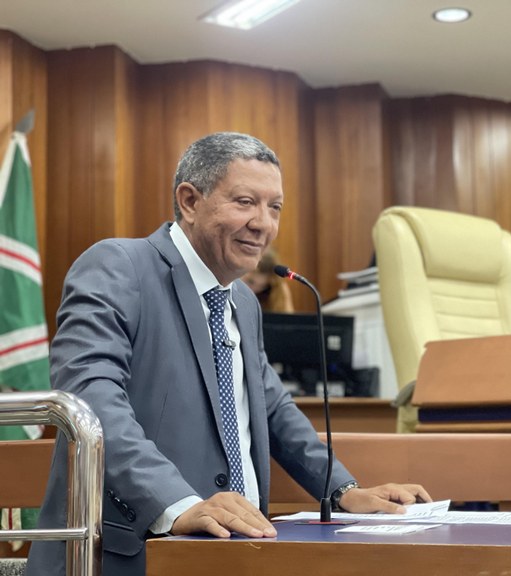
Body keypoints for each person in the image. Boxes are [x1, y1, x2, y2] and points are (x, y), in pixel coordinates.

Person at [27, 132, 430, 576]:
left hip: (237, 552)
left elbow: (274, 410)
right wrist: (178, 503)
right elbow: (91, 397)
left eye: (275, 207)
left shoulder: (243, 301)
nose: (264, 224)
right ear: (189, 201)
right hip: (130, 556)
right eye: (245, 202)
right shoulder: (118, 266)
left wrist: (343, 490)